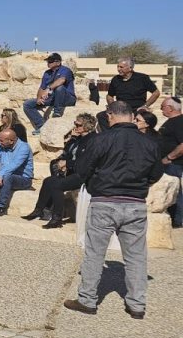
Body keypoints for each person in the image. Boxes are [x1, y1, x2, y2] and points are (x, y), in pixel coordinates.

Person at [64, 101, 164, 319]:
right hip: (135, 203)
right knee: (136, 256)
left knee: (94, 253)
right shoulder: (149, 143)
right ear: (130, 116)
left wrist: (94, 183)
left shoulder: (101, 139)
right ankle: (137, 305)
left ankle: (87, 300)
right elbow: (156, 173)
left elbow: (82, 169)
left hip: (104, 201)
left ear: (110, 115)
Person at [23, 113, 97, 228]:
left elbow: (85, 162)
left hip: (83, 175)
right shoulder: (78, 138)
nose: (75, 126)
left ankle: (57, 218)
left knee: (57, 185)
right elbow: (68, 152)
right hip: (72, 171)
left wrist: (68, 163)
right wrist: (72, 138)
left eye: (78, 125)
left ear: (87, 126)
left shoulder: (92, 140)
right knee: (48, 181)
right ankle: (39, 210)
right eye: (75, 123)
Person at [23, 52, 77, 135]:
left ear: (58, 62)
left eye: (50, 61)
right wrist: (38, 98)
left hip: (67, 98)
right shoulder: (47, 73)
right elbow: (42, 87)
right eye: (48, 61)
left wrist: (49, 88)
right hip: (53, 98)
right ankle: (41, 126)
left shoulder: (65, 70)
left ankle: (57, 112)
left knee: (60, 88)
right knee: (28, 104)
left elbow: (61, 80)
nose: (48, 63)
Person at [101, 57, 159, 130]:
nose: (118, 69)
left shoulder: (142, 78)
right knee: (101, 116)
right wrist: (112, 106)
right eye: (118, 67)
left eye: (121, 67)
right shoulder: (115, 79)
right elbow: (109, 96)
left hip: (137, 109)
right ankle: (109, 137)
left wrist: (145, 106)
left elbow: (156, 93)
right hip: (121, 109)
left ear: (130, 68)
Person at [158, 96, 183, 228]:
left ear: (170, 108)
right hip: (167, 163)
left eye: (162, 107)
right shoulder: (171, 122)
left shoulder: (179, 122)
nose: (161, 109)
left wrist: (169, 158)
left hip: (173, 164)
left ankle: (178, 220)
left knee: (175, 192)